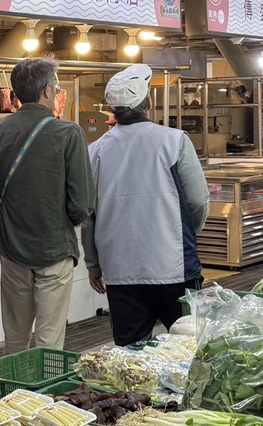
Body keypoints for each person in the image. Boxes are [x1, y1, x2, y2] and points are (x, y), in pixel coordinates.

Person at [81, 65, 209, 346]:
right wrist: (187, 233)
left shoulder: (95, 151)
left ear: (112, 111)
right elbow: (198, 200)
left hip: (120, 270)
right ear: (148, 103)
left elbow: (87, 216)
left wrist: (93, 266)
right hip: (173, 265)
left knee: (131, 356)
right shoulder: (174, 141)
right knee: (189, 348)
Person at [0, 57, 94, 353]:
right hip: (55, 247)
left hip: (12, 247)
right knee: (49, 338)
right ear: (47, 91)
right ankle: (43, 396)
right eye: (56, 88)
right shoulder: (68, 133)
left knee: (15, 337)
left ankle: (10, 397)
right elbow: (81, 203)